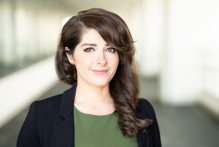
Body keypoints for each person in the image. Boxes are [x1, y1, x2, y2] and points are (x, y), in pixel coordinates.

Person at [17, 8, 161, 147]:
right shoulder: (42, 114)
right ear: (70, 55)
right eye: (89, 49)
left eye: (110, 49)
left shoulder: (143, 111)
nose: (101, 60)